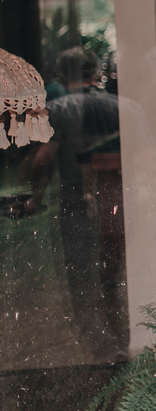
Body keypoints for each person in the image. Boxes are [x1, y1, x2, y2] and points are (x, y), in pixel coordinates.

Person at [22, 47, 127, 360]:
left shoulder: (58, 109)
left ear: (62, 76)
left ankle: (104, 345)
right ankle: (121, 335)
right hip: (114, 195)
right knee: (113, 272)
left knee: (81, 275)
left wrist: (33, 188)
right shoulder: (115, 106)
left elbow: (43, 158)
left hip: (76, 197)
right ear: (94, 73)